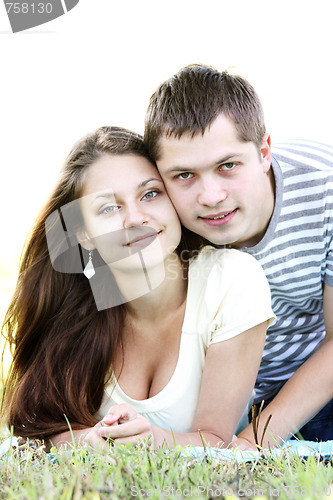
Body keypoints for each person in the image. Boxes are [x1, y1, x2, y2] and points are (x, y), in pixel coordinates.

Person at [1, 126, 274, 450]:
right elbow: (33, 430)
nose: (135, 218)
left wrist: (154, 440)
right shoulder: (74, 306)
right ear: (84, 235)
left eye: (150, 194)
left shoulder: (230, 281)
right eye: (108, 208)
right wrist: (86, 441)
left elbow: (216, 441)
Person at [144, 64, 333, 448]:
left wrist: (252, 442)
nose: (210, 196)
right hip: (209, 387)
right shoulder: (156, 210)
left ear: (264, 151)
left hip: (312, 381)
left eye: (228, 166)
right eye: (183, 175)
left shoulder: (324, 189)